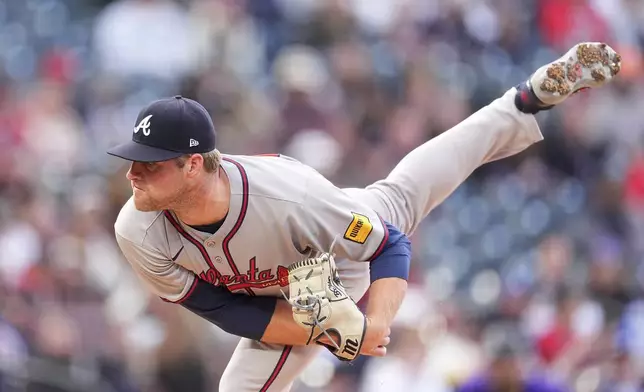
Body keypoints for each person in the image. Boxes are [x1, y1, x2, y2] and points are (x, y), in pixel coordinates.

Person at [107, 42, 621, 391]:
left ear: (193, 164)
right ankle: (523, 102)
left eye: (148, 165)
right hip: (282, 286)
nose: (133, 175)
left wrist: (374, 322)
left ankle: (526, 102)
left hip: (319, 265)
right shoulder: (136, 228)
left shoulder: (294, 198)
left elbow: (390, 246)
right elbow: (216, 307)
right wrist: (313, 334)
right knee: (401, 188)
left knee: (401, 198)